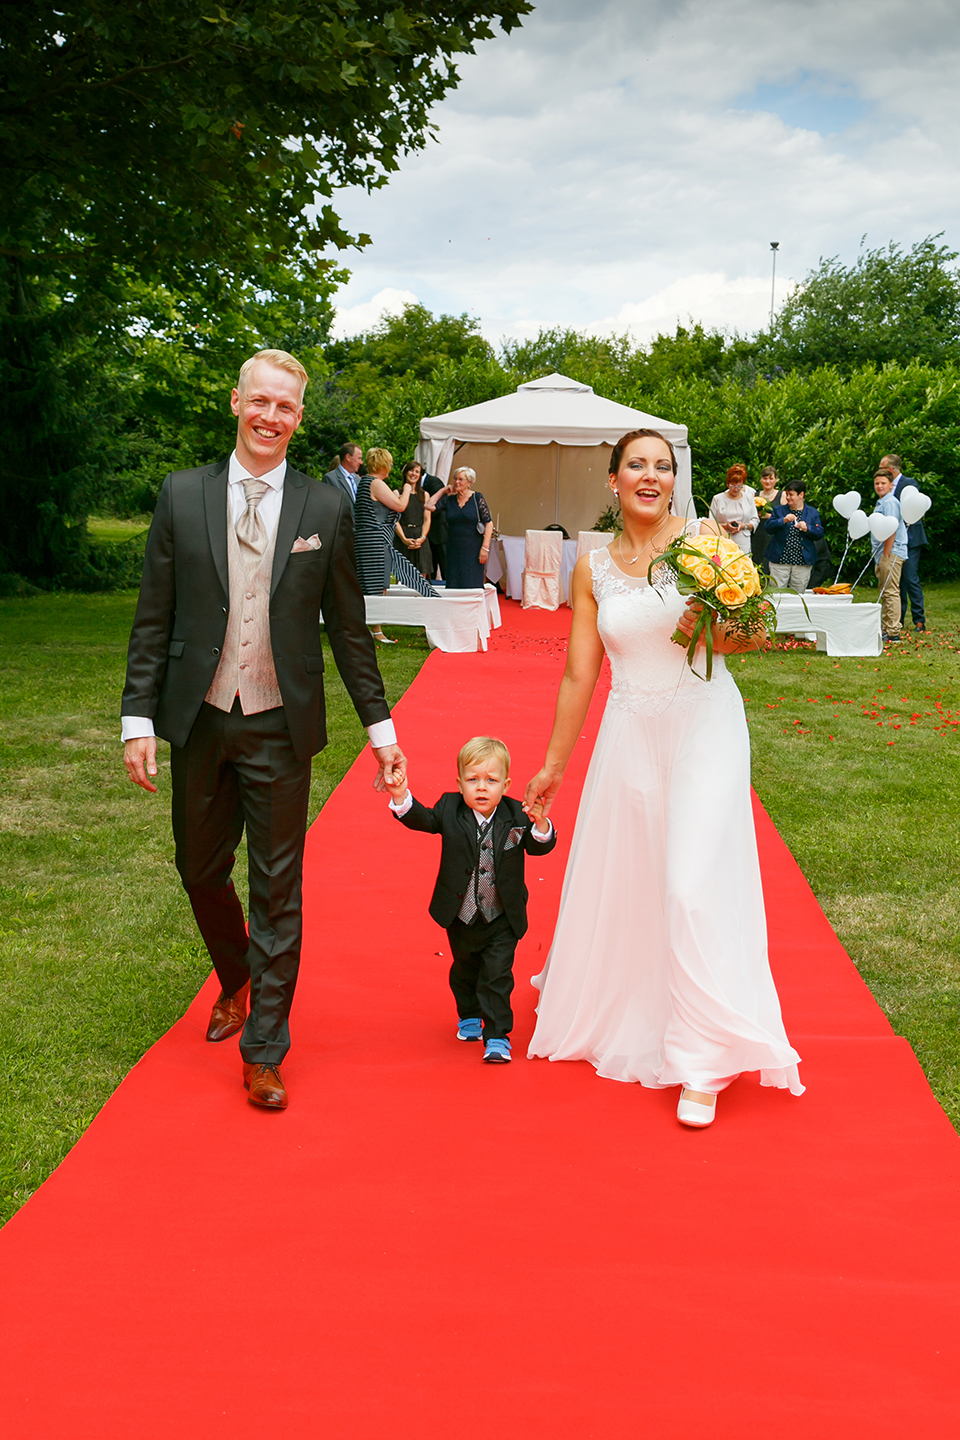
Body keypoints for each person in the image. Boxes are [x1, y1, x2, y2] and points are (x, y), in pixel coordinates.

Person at [120, 350, 404, 1110]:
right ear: (237, 401)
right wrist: (137, 717)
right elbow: (154, 616)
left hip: (281, 725)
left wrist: (381, 733)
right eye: (261, 401)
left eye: (286, 407)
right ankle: (240, 977)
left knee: (278, 889)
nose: (271, 417)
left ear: (299, 418)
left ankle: (265, 1047)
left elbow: (349, 631)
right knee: (199, 868)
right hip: (200, 718)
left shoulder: (322, 506)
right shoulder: (183, 495)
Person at [523, 428, 803, 1128]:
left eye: (664, 466)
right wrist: (555, 765)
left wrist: (725, 611)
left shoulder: (706, 543)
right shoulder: (593, 567)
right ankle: (643, 1013)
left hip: (704, 722)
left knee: (688, 883)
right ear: (613, 479)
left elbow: (748, 640)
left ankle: (703, 1057)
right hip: (630, 732)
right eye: (637, 465)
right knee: (641, 879)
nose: (651, 476)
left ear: (674, 480)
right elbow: (580, 672)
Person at [385, 737, 557, 1064]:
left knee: (497, 974)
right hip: (460, 913)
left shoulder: (515, 817)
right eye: (473, 780)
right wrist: (400, 796)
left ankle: (497, 1036)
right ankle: (468, 1012)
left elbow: (536, 847)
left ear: (506, 785)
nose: (481, 788)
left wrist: (541, 825)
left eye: (491, 781)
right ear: (459, 784)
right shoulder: (450, 809)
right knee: (465, 968)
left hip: (502, 915)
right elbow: (424, 819)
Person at [354, 446, 439, 643]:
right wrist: (407, 489)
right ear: (383, 464)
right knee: (376, 584)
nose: (391, 467)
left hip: (372, 540)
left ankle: (373, 627)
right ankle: (375, 629)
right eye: (390, 464)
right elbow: (400, 505)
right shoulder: (375, 483)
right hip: (374, 541)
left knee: (376, 583)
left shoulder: (368, 483)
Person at [424, 466, 494, 587]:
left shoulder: (477, 498)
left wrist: (485, 548)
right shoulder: (449, 500)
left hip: (473, 548)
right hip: (453, 548)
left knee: (472, 581)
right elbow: (428, 506)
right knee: (454, 581)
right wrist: (443, 490)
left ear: (470, 482)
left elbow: (489, 523)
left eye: (461, 479)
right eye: (455, 479)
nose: (457, 482)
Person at [880, 453, 927, 632]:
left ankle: (919, 619)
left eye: (882, 468)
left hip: (911, 540)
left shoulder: (909, 484)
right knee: (895, 580)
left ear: (890, 470)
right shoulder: (885, 487)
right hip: (894, 539)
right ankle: (897, 619)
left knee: (910, 578)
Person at [764, 480, 824, 594]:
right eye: (786, 494)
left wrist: (808, 528)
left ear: (801, 495)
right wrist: (782, 520)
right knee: (776, 594)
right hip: (780, 561)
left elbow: (819, 533)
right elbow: (768, 527)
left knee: (798, 595)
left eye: (791, 495)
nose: (787, 498)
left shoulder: (812, 512)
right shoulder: (779, 510)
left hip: (802, 562)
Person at [871, 468, 908, 643]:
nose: (879, 486)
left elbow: (891, 527)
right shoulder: (882, 502)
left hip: (891, 552)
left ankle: (893, 631)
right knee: (885, 590)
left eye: (883, 483)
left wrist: (886, 553)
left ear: (891, 485)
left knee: (891, 591)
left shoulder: (890, 502)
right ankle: (887, 628)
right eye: (877, 483)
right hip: (883, 553)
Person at [393, 461, 434, 579]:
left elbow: (427, 519)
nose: (414, 474)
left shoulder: (425, 495)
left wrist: (422, 538)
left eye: (417, 471)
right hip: (403, 536)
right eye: (411, 470)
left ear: (420, 475)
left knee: (422, 576)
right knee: (402, 576)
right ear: (406, 473)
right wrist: (404, 539)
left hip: (421, 538)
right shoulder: (397, 493)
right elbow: (394, 519)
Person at [710, 463, 757, 554]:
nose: (736, 489)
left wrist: (743, 526)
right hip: (724, 538)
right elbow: (711, 522)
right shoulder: (717, 499)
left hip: (743, 540)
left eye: (739, 486)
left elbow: (755, 520)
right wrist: (727, 526)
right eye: (733, 486)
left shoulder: (749, 498)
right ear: (728, 484)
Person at [751, 466, 786, 568]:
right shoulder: (755, 495)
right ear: (761, 480)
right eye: (765, 478)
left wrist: (769, 516)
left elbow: (785, 517)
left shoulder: (782, 495)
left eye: (771, 478)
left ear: (776, 480)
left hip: (774, 536)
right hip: (757, 535)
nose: (768, 481)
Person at [419, 467, 448, 579]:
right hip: (427, 533)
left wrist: (422, 516)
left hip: (440, 531)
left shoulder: (434, 482)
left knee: (445, 563)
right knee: (430, 566)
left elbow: (439, 507)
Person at [323, 443, 363, 513]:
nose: (361, 462)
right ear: (348, 457)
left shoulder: (358, 480)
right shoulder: (330, 478)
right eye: (359, 458)